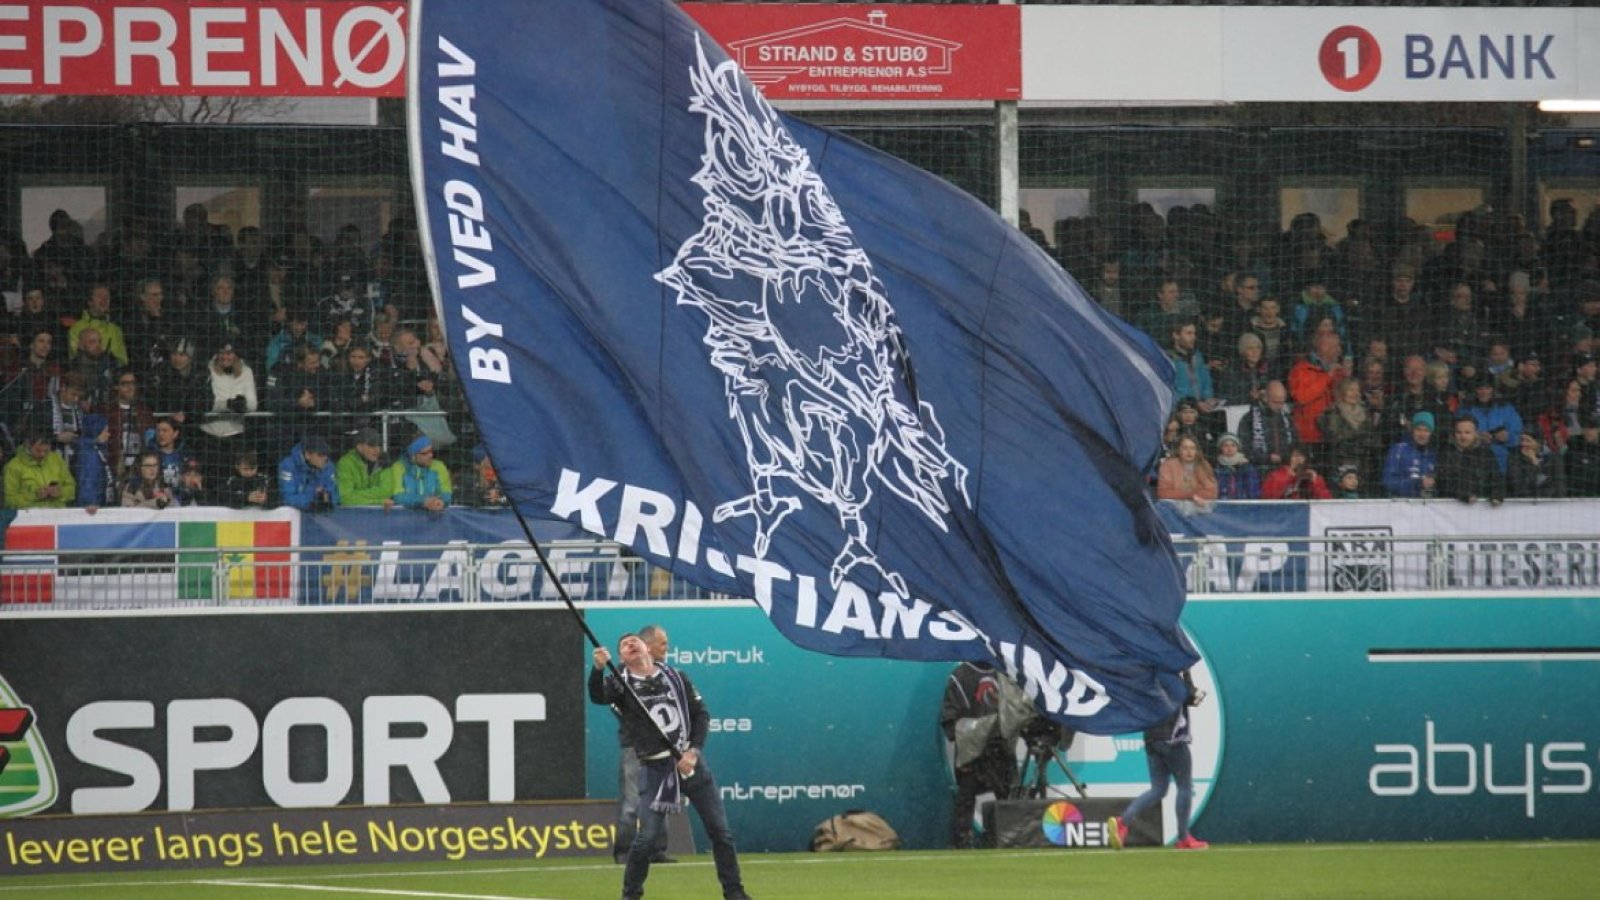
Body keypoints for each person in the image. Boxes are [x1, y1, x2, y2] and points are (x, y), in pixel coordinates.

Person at [589, 633, 751, 900]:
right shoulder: (619, 684)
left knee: (721, 833)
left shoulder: (676, 676)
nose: (630, 644)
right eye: (624, 645)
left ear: (647, 648)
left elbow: (701, 714)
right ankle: (630, 895)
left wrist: (693, 751)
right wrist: (597, 669)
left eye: (634, 641)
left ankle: (735, 893)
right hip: (655, 769)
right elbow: (597, 696)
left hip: (690, 765)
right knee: (646, 838)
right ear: (620, 658)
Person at [1108, 670, 1208, 851]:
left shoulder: (1148, 675)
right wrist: (1188, 677)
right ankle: (1183, 837)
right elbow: (1188, 695)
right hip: (1172, 738)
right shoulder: (1171, 675)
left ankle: (1123, 821)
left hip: (1151, 738)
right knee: (1184, 786)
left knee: (1158, 789)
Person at [609, 625, 677, 865]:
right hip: (634, 747)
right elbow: (614, 704)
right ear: (648, 646)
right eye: (663, 643)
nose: (666, 648)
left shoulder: (664, 673)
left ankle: (657, 850)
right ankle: (624, 851)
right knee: (632, 801)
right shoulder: (622, 675)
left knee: (661, 798)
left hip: (661, 747)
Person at [940, 661, 1017, 850]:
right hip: (971, 752)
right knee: (966, 797)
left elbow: (1016, 710)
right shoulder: (959, 676)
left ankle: (1009, 839)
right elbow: (949, 720)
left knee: (1008, 796)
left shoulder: (1005, 673)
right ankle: (962, 843)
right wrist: (972, 733)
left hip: (1001, 749)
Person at [1435, 416, 1505, 505]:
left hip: (1482, 508)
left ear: (1476, 433)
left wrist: (1496, 494)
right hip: (1452, 507)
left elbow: (1497, 479)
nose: (1463, 436)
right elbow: (1443, 482)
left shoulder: (1486, 453)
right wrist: (1463, 495)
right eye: (1459, 432)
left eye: (1467, 432)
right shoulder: (1446, 453)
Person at [4, 431, 75, 509]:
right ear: (28, 445)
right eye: (38, 450)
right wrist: (35, 495)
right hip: (30, 514)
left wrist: (60, 492)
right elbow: (9, 500)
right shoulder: (13, 466)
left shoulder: (56, 459)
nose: (42, 454)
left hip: (57, 512)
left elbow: (71, 488)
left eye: (46, 451)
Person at [388, 434, 452, 512]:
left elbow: (447, 494)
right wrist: (424, 501)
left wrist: (441, 501)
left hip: (434, 517)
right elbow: (398, 496)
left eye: (431, 451)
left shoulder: (439, 467)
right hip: (406, 517)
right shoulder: (399, 468)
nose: (430, 455)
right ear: (413, 456)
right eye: (425, 453)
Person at [1382, 412, 1439, 499]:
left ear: (1431, 433)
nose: (1422, 434)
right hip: (1400, 504)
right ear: (1412, 430)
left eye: (1426, 430)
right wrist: (1417, 483)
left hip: (1427, 505)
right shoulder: (1398, 450)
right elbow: (1388, 482)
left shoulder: (1433, 455)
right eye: (1418, 429)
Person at [335, 426, 395, 508]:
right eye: (371, 445)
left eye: (379, 445)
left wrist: (355, 494)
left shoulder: (384, 461)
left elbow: (387, 492)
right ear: (359, 447)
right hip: (352, 513)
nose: (377, 449)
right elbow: (345, 498)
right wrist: (379, 501)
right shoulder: (345, 463)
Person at [278, 435, 339, 512]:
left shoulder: (328, 466)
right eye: (320, 455)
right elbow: (287, 498)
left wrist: (329, 499)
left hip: (322, 514)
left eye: (326, 454)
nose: (325, 458)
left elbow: (335, 494)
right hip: (294, 515)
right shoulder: (288, 466)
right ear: (307, 455)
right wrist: (313, 497)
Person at [1155, 435, 1218, 506]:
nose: (1189, 452)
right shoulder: (1168, 466)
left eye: (1192, 448)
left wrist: (1193, 495)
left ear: (1196, 451)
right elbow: (1163, 493)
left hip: (1200, 508)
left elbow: (1212, 492)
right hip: (1173, 508)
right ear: (1178, 450)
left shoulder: (1203, 466)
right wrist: (1191, 495)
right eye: (1185, 448)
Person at [1507, 432, 1565, 499]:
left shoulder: (1554, 458)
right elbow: (1519, 487)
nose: (1523, 443)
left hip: (1550, 501)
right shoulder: (1514, 457)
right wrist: (1533, 462)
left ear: (1538, 443)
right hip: (1524, 501)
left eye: (1528, 441)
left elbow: (1560, 485)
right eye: (1522, 440)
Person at [1260, 446, 1330, 500]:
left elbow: (1326, 501)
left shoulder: (1314, 477)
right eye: (1295, 456)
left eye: (1302, 456)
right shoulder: (1275, 476)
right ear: (1289, 458)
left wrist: (1315, 482)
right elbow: (1267, 498)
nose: (1298, 459)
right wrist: (1291, 478)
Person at [1212, 433, 1260, 500]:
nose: (1229, 448)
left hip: (1243, 502)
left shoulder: (1247, 467)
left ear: (1237, 447)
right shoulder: (1216, 468)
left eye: (1233, 445)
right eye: (1226, 445)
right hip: (1222, 502)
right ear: (1221, 448)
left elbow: (1253, 490)